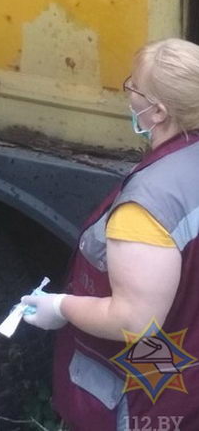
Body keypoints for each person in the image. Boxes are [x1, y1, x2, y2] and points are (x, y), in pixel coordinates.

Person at [22, 38, 199, 430]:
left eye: (134, 87)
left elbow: (135, 322)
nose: (129, 95)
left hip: (144, 405)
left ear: (158, 112)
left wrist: (61, 308)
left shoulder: (146, 208)